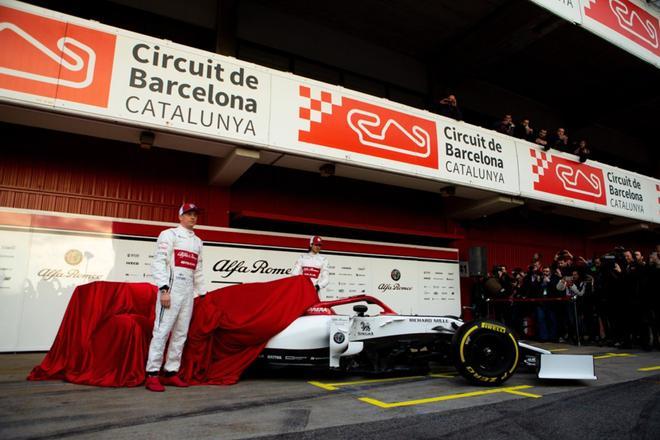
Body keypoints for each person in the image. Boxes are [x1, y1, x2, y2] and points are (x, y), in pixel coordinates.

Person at [145, 203, 206, 392]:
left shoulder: (198, 241)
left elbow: (198, 269)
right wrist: (164, 289)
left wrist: (201, 293)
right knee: (162, 331)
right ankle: (152, 374)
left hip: (187, 291)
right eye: (188, 214)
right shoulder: (168, 234)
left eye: (195, 214)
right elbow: (159, 262)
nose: (192, 217)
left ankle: (171, 372)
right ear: (180, 217)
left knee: (181, 334)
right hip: (171, 290)